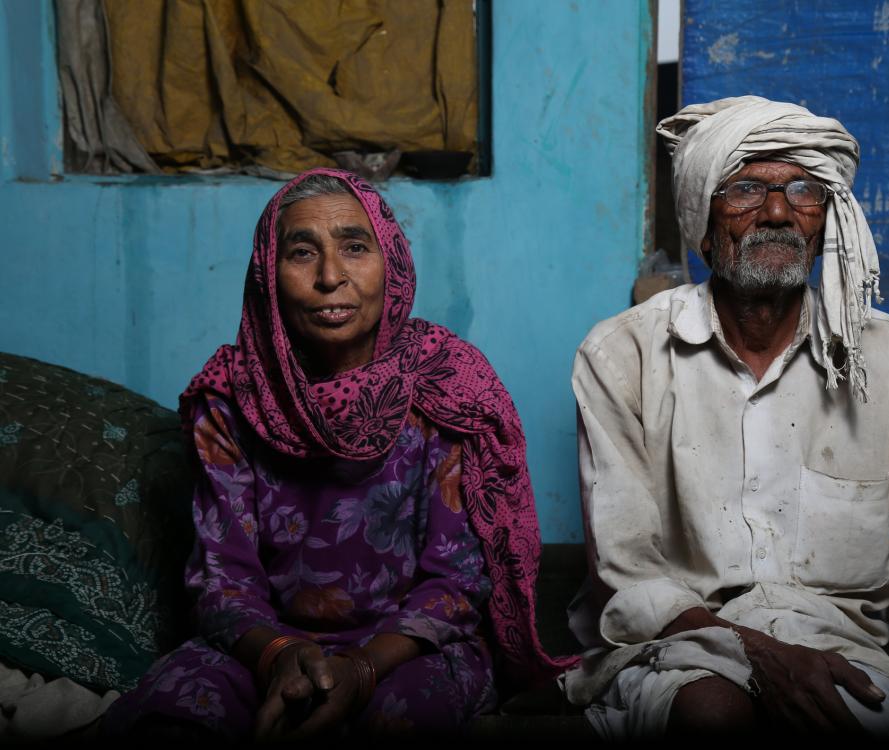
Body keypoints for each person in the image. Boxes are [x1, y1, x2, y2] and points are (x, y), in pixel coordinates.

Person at [562, 96, 889, 737]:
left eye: (802, 191)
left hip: (846, 652)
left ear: (826, 222)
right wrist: (763, 658)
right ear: (704, 224)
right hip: (681, 649)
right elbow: (627, 575)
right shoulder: (622, 355)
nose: (775, 212)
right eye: (744, 189)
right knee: (714, 714)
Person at [102, 168, 574, 740]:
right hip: (262, 644)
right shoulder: (230, 397)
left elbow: (455, 581)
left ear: (392, 263)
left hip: (411, 649)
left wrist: (365, 667)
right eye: (302, 253)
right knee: (174, 719)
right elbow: (223, 580)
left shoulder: (444, 387)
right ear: (267, 277)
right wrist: (279, 655)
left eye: (355, 247)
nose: (331, 277)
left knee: (399, 719)